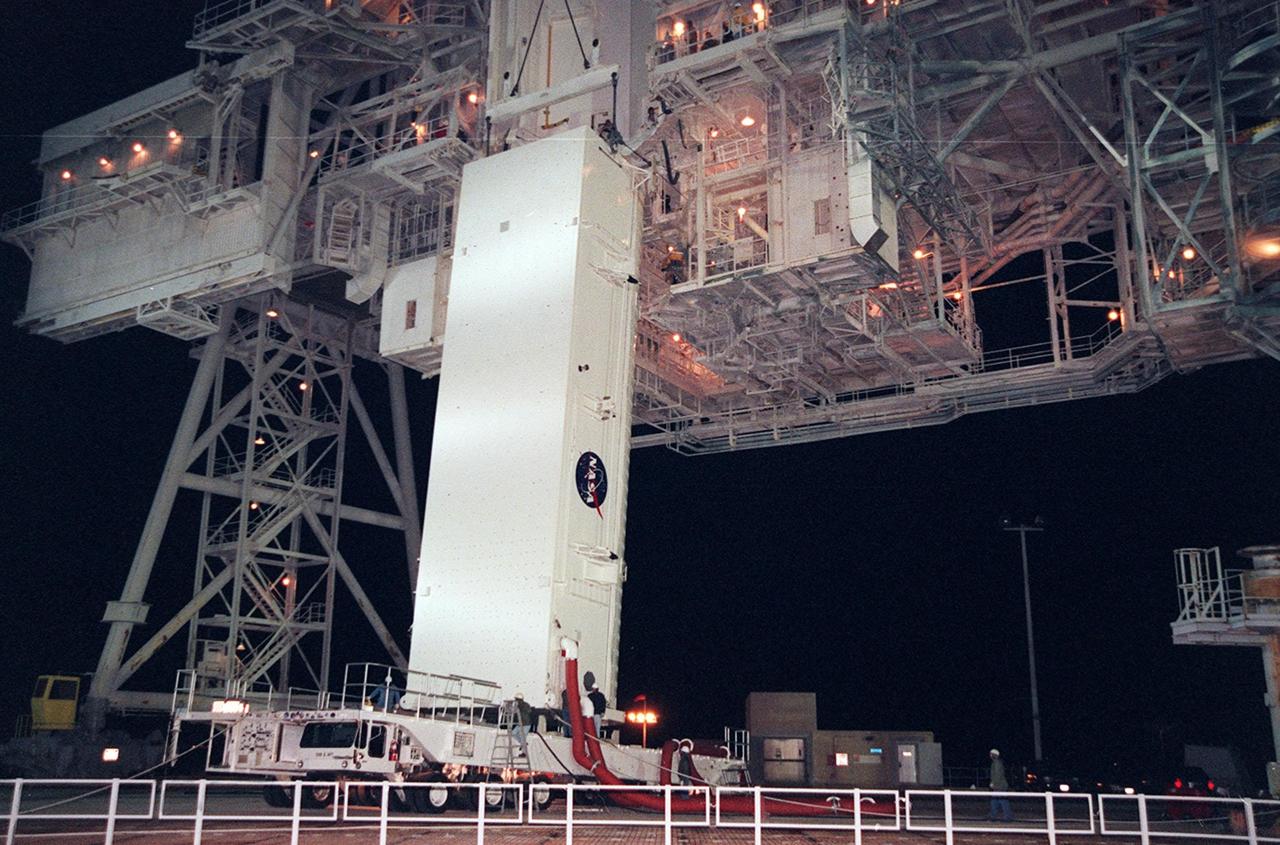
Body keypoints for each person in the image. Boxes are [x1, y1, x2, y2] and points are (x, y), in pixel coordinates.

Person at [987, 748, 1013, 821]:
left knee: (1001, 801)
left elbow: (997, 775)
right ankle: (993, 816)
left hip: (999, 786)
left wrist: (993, 783)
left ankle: (1006, 817)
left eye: (991, 754)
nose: (990, 755)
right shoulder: (996, 762)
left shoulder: (996, 763)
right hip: (1000, 785)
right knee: (996, 801)